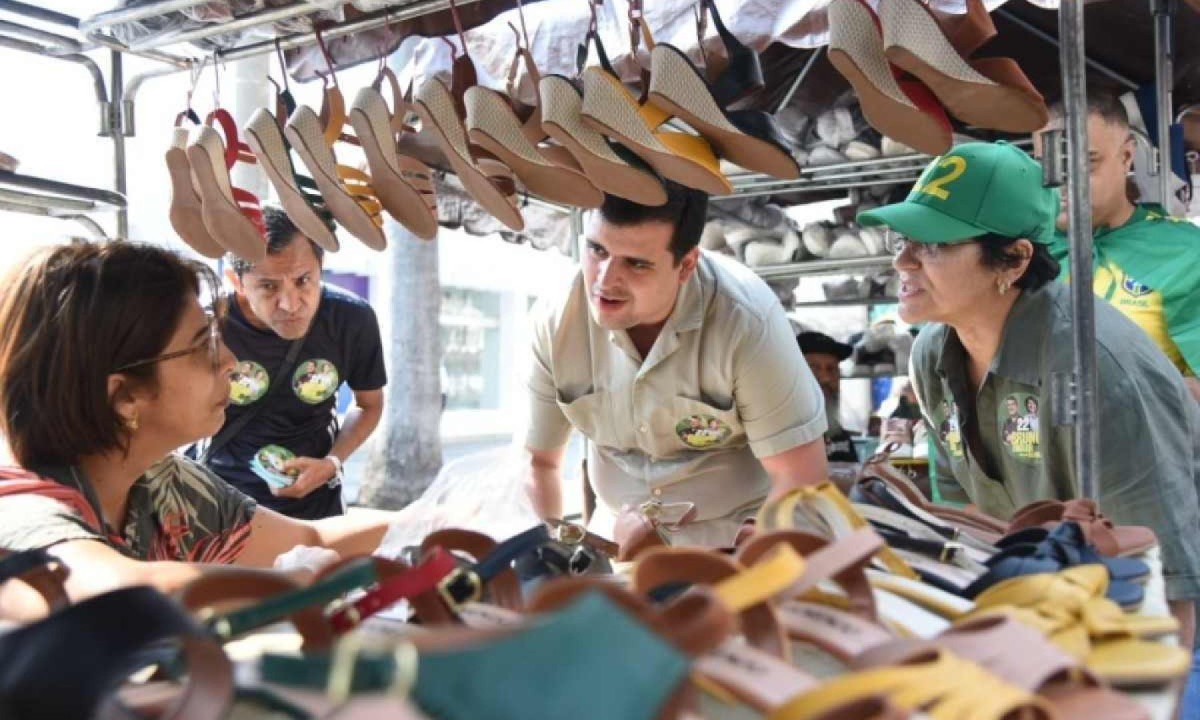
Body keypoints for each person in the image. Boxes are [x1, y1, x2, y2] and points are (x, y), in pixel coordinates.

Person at [858, 139, 1200, 655]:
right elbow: (964, 520)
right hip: (1043, 618)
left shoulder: (1101, 370)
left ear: (1013, 260)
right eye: (901, 239)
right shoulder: (933, 352)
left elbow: (1165, 582)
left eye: (932, 245)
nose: (903, 262)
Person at [0, 242, 403, 619]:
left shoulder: (160, 481)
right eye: (203, 345)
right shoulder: (20, 506)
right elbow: (112, 596)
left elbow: (310, 541)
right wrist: (296, 583)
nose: (230, 360)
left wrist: (435, 519)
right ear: (124, 396)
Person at [524, 182, 829, 548]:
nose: (605, 280)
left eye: (636, 264)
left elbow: (800, 476)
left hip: (738, 542)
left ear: (686, 265)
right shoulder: (555, 318)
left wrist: (758, 568)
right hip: (616, 542)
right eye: (596, 250)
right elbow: (540, 464)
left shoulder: (746, 320)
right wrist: (554, 553)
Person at [201, 207, 386, 520]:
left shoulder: (351, 319)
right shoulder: (209, 325)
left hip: (316, 504)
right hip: (220, 501)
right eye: (269, 286)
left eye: (303, 280)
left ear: (320, 266)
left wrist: (332, 463)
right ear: (236, 281)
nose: (291, 304)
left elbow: (369, 405)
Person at [1035, 93, 1200, 402]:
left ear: (1126, 157)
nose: (1064, 184)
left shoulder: (1184, 252)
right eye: (1049, 166)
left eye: (1087, 163)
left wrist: (1128, 390)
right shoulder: (1024, 252)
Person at [797, 331, 858, 463]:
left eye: (831, 369)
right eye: (814, 368)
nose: (826, 378)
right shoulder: (779, 431)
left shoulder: (838, 434)